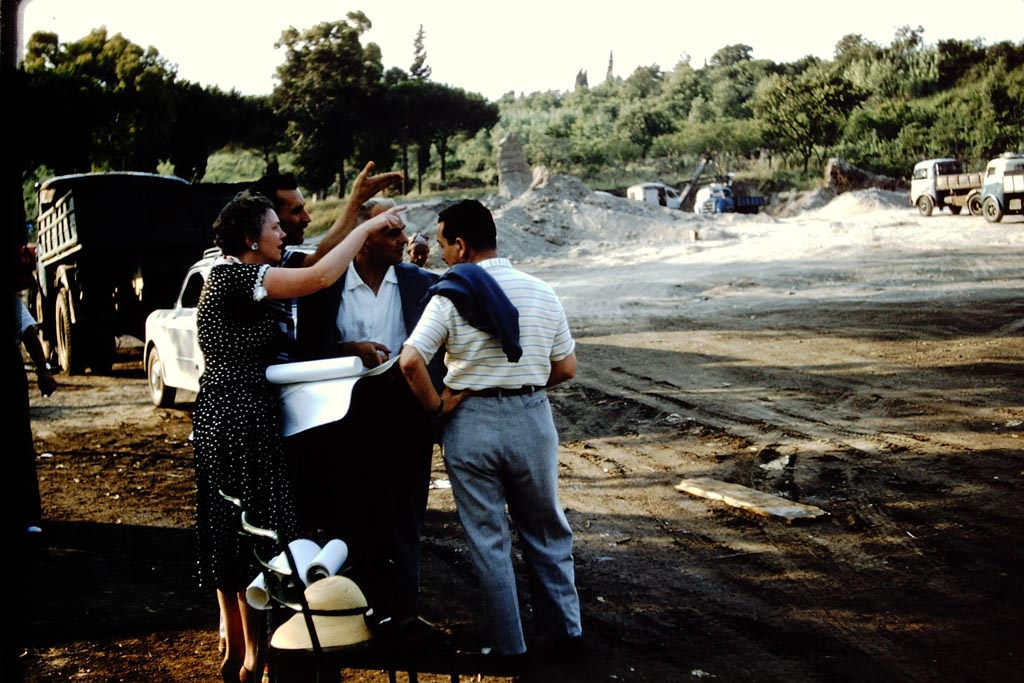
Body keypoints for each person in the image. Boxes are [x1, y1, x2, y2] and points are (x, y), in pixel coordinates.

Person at [190, 190, 404, 683]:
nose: (283, 234)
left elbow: (317, 258)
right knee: (255, 530)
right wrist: (366, 228)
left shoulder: (237, 274)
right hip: (238, 419)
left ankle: (244, 654)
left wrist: (354, 211)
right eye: (274, 227)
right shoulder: (237, 278)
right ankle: (250, 658)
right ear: (251, 239)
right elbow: (321, 276)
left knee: (239, 530)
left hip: (233, 414)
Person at [399, 199, 583, 662]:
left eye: (443, 245)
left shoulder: (449, 295)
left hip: (471, 422)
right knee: (546, 529)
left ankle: (509, 646)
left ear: (461, 245)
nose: (441, 255)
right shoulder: (541, 291)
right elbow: (566, 367)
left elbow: (410, 360)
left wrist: (437, 404)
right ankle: (566, 634)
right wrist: (524, 384)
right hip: (532, 419)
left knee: (488, 540)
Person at [285, 195, 446, 635]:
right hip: (344, 424)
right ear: (361, 240)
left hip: (406, 420)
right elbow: (305, 353)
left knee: (406, 517)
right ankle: (355, 614)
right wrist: (347, 350)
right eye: (389, 231)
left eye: (401, 230)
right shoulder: (324, 290)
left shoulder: (421, 284)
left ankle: (405, 613)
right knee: (352, 516)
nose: (402, 239)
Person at [250, 162, 404, 350]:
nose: (307, 218)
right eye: (296, 211)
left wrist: (356, 203)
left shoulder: (284, 260)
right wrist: (363, 220)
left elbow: (320, 259)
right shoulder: (236, 273)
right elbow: (320, 275)